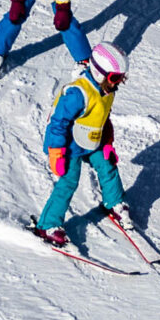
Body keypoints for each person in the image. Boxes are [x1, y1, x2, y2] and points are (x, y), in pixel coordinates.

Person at [33, 42, 134, 246]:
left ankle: (114, 203)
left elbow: (103, 118)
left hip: (92, 139)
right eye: (114, 78)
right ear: (99, 72)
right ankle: (47, 225)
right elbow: (58, 122)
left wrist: (107, 142)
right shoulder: (78, 93)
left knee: (107, 165)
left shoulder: (107, 90)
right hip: (67, 143)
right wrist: (56, 152)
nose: (117, 83)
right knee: (69, 181)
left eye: (121, 78)